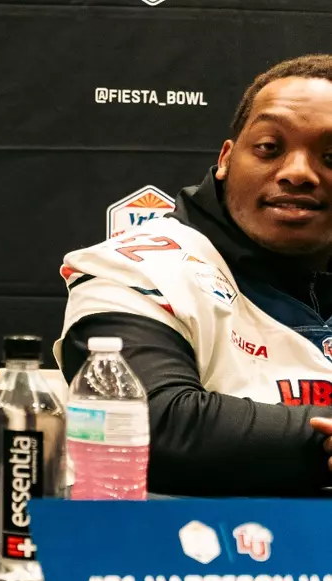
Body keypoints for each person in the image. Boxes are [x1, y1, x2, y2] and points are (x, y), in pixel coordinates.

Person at [59, 54, 332, 495]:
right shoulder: (135, 264)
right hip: (182, 552)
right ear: (226, 159)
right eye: (269, 147)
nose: (298, 172)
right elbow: (155, 425)